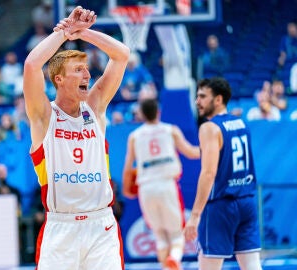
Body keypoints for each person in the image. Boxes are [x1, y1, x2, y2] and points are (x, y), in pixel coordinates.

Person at [23, 6, 129, 269]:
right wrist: (62, 32)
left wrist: (83, 32)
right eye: (79, 70)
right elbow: (32, 64)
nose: (88, 75)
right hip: (61, 227)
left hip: (100, 225)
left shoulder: (94, 108)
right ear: (59, 79)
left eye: (86, 69)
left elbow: (121, 55)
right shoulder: (43, 116)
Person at [184, 77, 262, 270]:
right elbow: (210, 153)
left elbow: (209, 173)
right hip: (247, 202)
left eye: (202, 96)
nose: (197, 101)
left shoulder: (209, 128)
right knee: (252, 266)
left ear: (218, 100)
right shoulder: (241, 123)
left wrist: (194, 216)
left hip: (221, 206)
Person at [122, 98, 200, 270]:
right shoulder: (170, 130)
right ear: (159, 112)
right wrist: (208, 149)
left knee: (159, 236)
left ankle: (167, 266)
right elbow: (191, 152)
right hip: (166, 185)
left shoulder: (134, 136)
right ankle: (174, 257)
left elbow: (128, 167)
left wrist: (126, 188)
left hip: (146, 188)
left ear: (141, 115)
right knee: (176, 235)